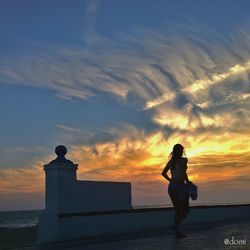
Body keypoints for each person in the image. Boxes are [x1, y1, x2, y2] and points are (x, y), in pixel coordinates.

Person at [162, 144, 190, 239]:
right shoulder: (183, 160)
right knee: (186, 210)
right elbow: (184, 173)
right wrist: (188, 182)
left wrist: (170, 180)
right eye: (181, 150)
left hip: (172, 187)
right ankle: (176, 226)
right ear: (179, 151)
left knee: (177, 210)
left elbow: (163, 173)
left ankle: (177, 233)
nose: (182, 152)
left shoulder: (170, 162)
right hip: (180, 187)